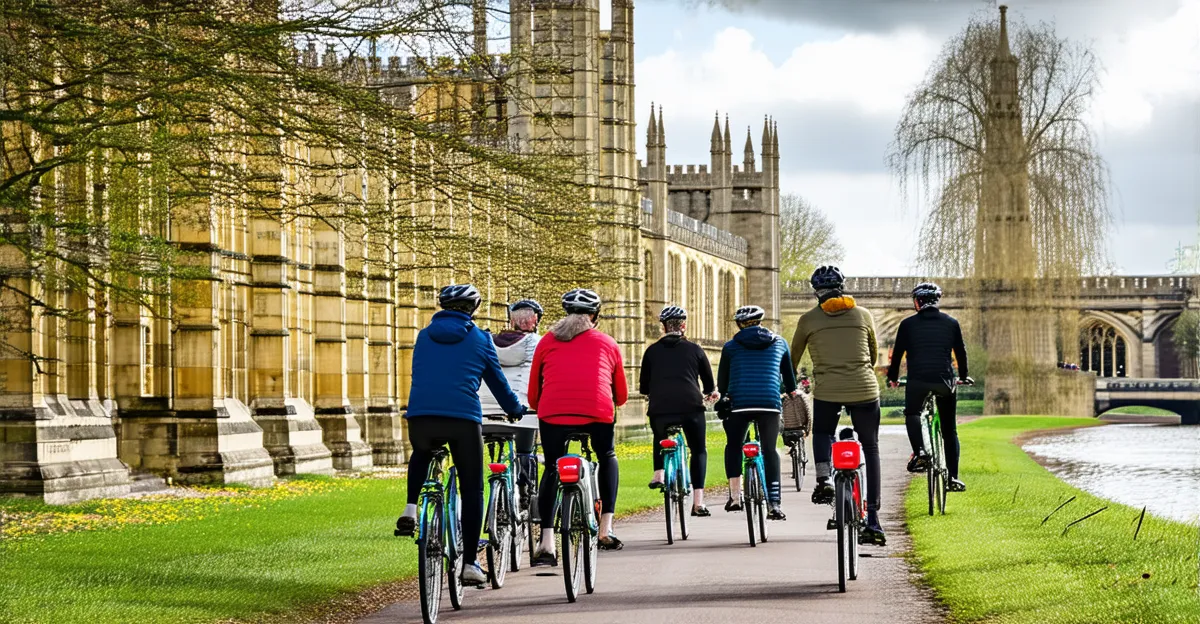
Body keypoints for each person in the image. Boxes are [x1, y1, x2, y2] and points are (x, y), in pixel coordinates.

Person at [395, 284, 526, 586]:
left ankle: (411, 508)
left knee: (422, 452)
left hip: (421, 416)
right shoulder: (480, 339)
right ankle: (468, 563)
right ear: (473, 309)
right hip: (462, 418)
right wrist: (515, 408)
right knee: (471, 487)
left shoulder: (424, 335)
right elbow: (496, 382)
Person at [528, 288, 628, 564]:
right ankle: (606, 528)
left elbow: (534, 395)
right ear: (594, 316)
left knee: (551, 467)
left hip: (553, 415)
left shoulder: (546, 341)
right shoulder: (608, 343)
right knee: (607, 455)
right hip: (597, 414)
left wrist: (544, 406)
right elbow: (621, 395)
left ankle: (547, 542)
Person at [789, 266, 886, 545]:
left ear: (815, 291)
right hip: (865, 388)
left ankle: (824, 481)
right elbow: (874, 354)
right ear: (842, 287)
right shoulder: (864, 314)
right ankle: (874, 520)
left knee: (822, 433)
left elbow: (792, 358)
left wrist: (791, 382)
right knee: (870, 446)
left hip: (828, 390)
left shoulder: (808, 320)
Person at [886, 282, 971, 492]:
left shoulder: (907, 325)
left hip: (918, 381)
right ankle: (953, 478)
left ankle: (920, 451)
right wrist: (963, 376)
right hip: (945, 381)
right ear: (937, 300)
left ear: (917, 302)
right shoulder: (951, 323)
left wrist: (893, 378)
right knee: (949, 430)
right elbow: (960, 353)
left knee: (912, 413)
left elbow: (897, 355)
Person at [717, 304, 797, 521]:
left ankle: (735, 497)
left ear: (740, 325)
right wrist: (791, 392)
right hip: (769, 404)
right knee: (770, 450)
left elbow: (722, 384)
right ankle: (774, 504)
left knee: (734, 445)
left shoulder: (731, 347)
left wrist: (724, 396)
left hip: (739, 404)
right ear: (761, 322)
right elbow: (790, 381)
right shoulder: (780, 343)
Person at [639, 305, 718, 516]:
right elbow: (709, 384)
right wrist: (711, 393)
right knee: (698, 450)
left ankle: (658, 474)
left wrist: (651, 393)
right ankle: (698, 502)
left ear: (663, 327)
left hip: (660, 408)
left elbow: (644, 387)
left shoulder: (651, 351)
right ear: (683, 326)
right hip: (691, 407)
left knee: (660, 436)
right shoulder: (695, 350)